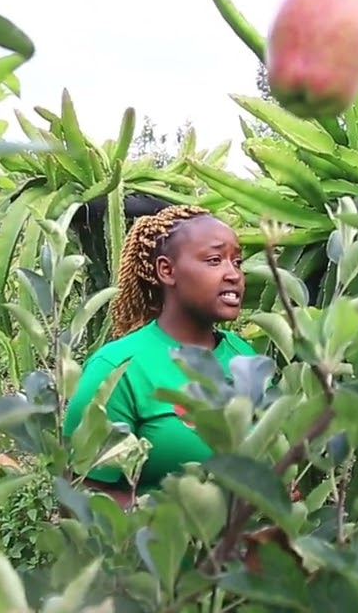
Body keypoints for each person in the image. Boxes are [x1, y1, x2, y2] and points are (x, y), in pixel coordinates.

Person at [60, 204, 254, 508]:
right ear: (167, 270)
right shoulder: (118, 368)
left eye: (237, 261)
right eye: (214, 260)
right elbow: (78, 495)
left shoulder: (244, 356)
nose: (234, 274)